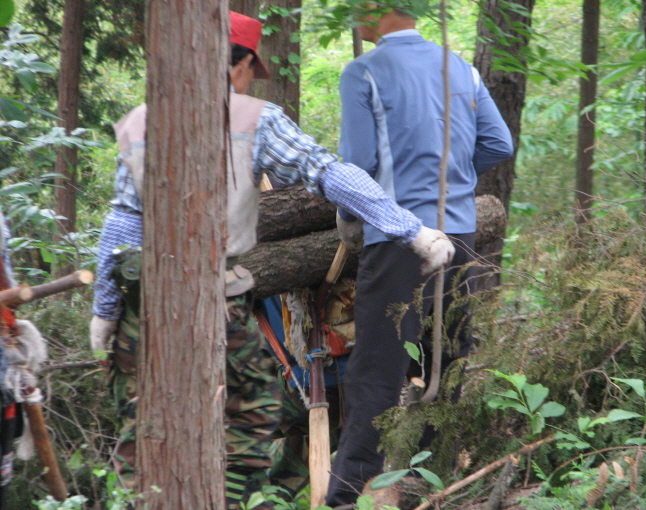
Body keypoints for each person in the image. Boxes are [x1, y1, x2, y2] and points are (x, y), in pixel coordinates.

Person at [89, 11, 455, 509]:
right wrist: (409, 228)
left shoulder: (141, 120)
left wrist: (106, 310)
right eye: (249, 71)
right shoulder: (255, 119)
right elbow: (329, 173)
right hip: (212, 298)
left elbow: (121, 223)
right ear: (239, 64)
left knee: (148, 424)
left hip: (143, 300)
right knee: (252, 413)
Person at [326, 8, 514, 506]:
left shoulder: (363, 70)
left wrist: (349, 214)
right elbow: (498, 143)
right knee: (445, 362)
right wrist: (455, 182)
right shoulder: (461, 67)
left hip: (398, 239)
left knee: (377, 369)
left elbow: (357, 165)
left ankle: (345, 497)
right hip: (460, 237)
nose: (353, 14)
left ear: (381, 9)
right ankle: (429, 489)